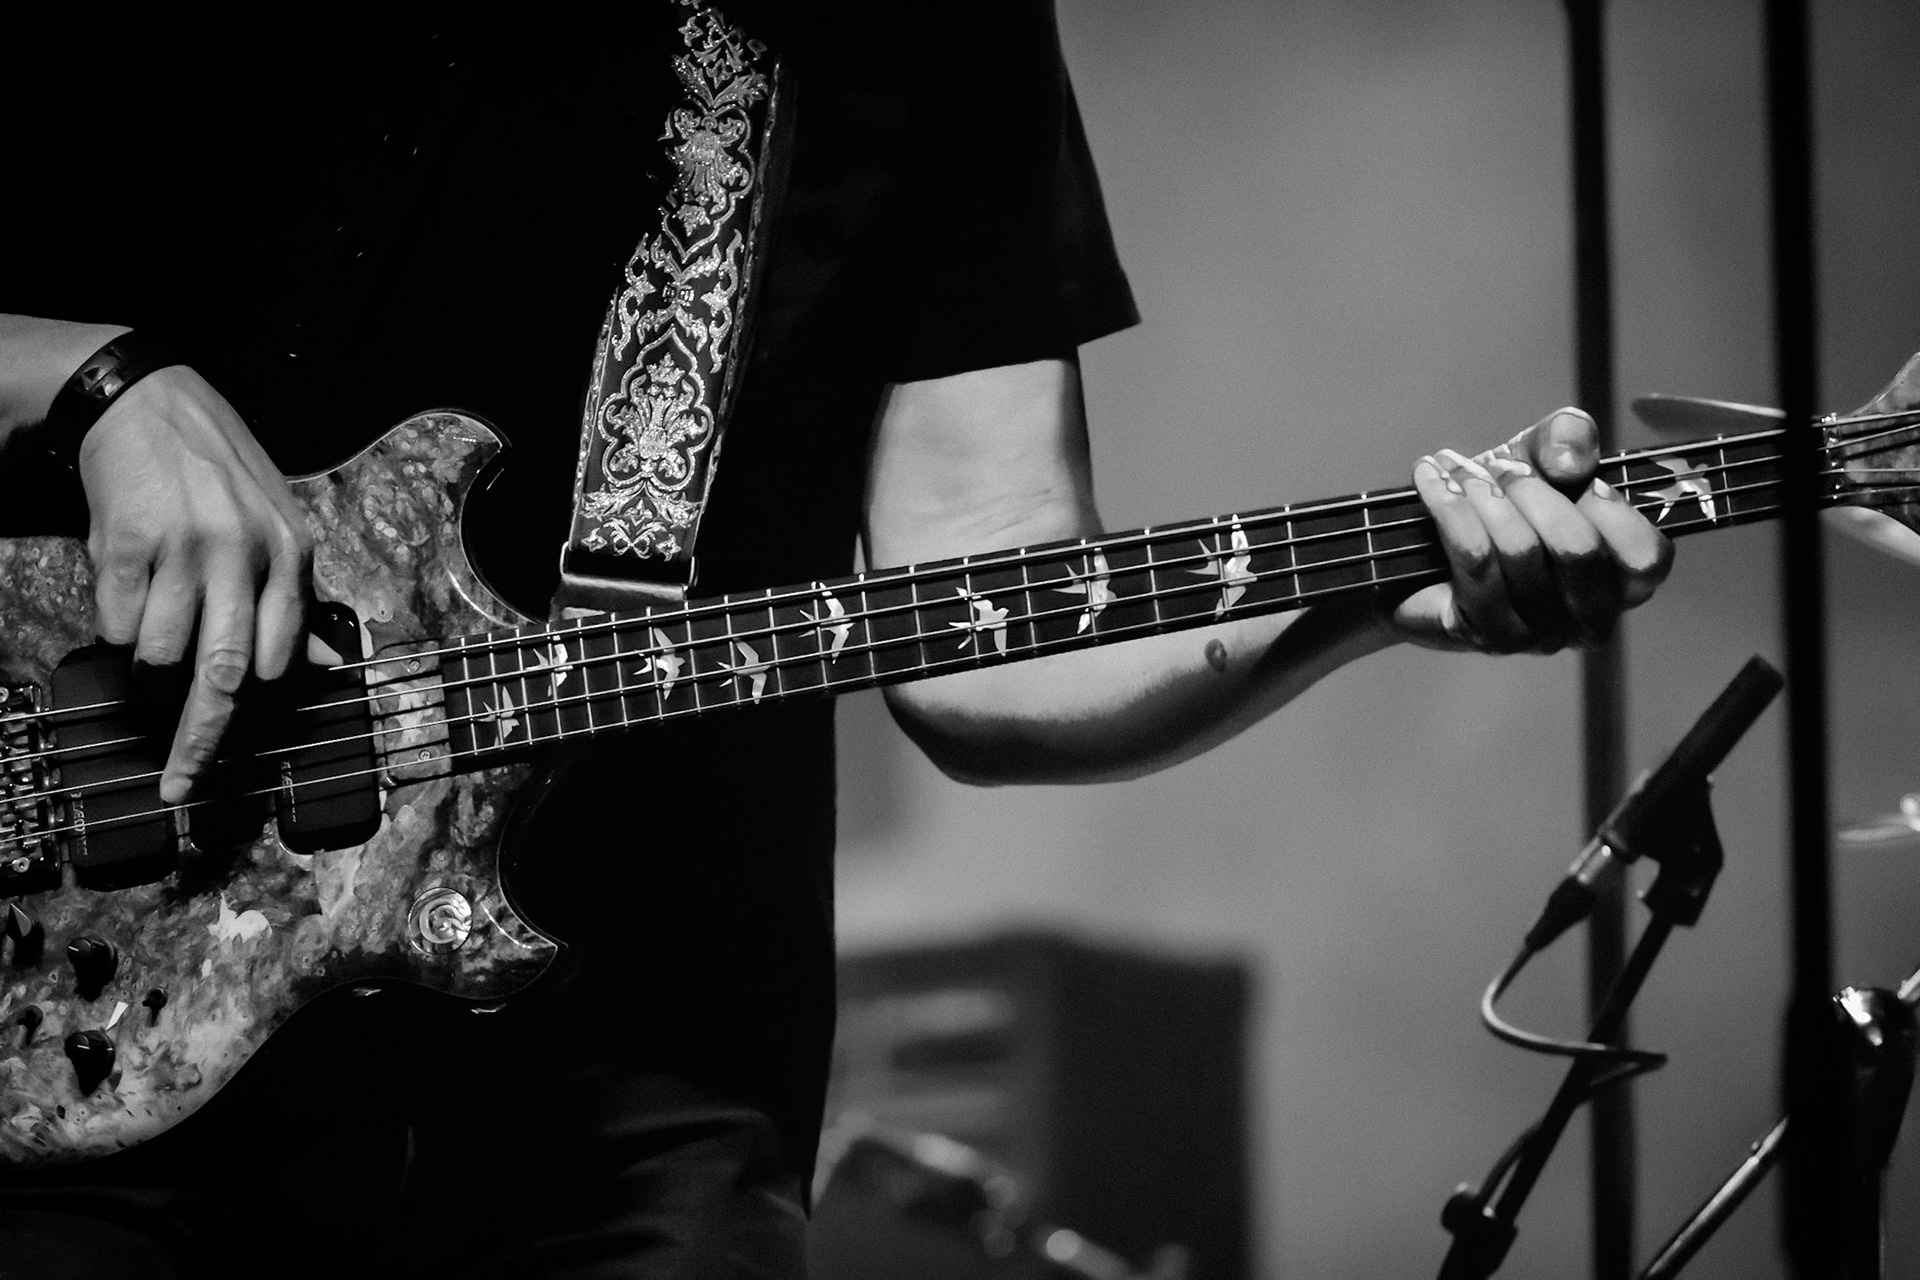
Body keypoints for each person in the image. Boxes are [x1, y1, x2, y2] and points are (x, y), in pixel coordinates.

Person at [0, 6, 1669, 1277]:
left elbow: (987, 621)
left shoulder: (913, 26)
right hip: (71, 1028)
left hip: (626, 1110)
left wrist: (1379, 591)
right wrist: (92, 384)